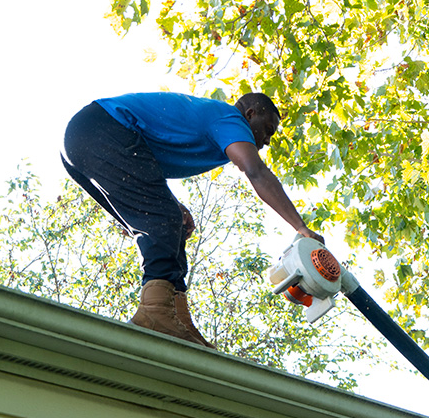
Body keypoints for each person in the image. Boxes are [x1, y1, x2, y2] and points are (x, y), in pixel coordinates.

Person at [60, 91, 324, 348]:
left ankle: (177, 318)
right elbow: (255, 171)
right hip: (102, 127)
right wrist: (301, 227)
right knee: (161, 220)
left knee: (169, 219)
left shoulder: (213, 118)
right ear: (250, 113)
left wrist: (173, 204)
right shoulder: (230, 118)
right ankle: (154, 311)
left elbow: (144, 163)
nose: (266, 140)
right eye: (267, 129)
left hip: (83, 140)